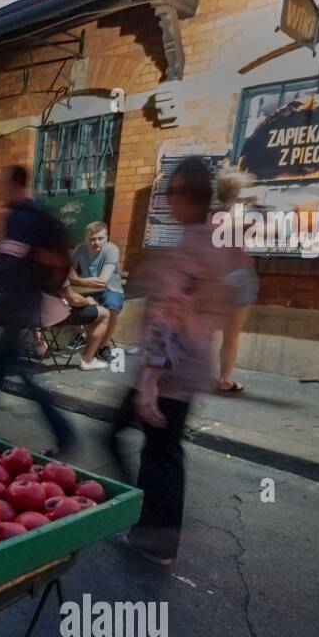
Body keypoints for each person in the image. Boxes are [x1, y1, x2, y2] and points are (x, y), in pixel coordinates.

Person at [107, 156, 239, 566]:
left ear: (187, 195)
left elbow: (173, 317)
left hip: (169, 371)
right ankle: (149, 528)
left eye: (170, 192)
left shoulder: (194, 247)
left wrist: (150, 378)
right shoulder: (220, 241)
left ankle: (154, 533)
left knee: (153, 449)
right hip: (189, 367)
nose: (166, 200)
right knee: (160, 449)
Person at [0, 166, 75, 453]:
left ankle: (63, 429)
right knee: (1, 364)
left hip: (17, 302)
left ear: (14, 184)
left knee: (17, 369)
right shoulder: (35, 214)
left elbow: (7, 265)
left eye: (2, 183)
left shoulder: (19, 217)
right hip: (30, 299)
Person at [215, 169, 259, 394]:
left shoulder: (214, 216)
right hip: (237, 277)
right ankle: (223, 379)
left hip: (222, 277)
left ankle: (223, 378)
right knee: (231, 335)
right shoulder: (240, 216)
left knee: (223, 333)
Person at [67, 221, 123, 362]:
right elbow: (67, 270)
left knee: (112, 305)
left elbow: (102, 281)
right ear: (86, 239)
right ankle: (81, 336)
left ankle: (104, 346)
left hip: (111, 288)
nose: (95, 243)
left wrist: (76, 280)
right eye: (91, 239)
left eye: (100, 238)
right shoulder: (80, 248)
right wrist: (82, 281)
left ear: (106, 237)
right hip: (87, 289)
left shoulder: (111, 249)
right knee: (66, 301)